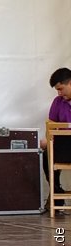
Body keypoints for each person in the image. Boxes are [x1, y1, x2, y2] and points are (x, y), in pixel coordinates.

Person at [41, 67, 71, 208]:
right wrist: (47, 140)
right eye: (57, 90)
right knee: (46, 153)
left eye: (61, 89)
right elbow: (51, 126)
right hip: (64, 146)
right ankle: (56, 190)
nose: (59, 93)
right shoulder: (58, 102)